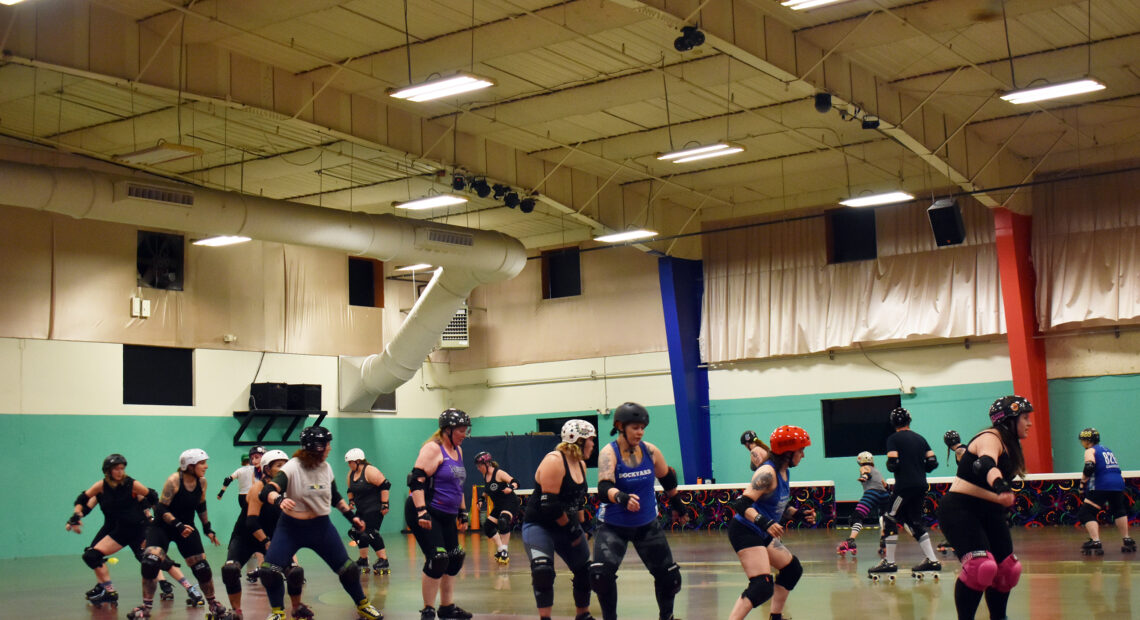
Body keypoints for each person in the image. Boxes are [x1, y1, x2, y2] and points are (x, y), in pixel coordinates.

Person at [259, 426, 383, 620]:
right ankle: (277, 613)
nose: (330, 449)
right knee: (269, 571)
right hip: (291, 527)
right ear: (316, 447)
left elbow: (335, 497)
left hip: (320, 527)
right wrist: (279, 500)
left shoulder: (325, 467)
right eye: (327, 445)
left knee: (348, 569)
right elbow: (267, 491)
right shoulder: (293, 466)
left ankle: (363, 605)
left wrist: (352, 518)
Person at [936, 396, 1033, 619]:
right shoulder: (990, 437)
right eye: (1025, 418)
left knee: (1008, 570)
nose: (1029, 423)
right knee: (981, 567)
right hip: (960, 509)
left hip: (989, 511)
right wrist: (1000, 486)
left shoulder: (1011, 445)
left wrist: (998, 497)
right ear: (1009, 419)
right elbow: (985, 464)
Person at [589, 402, 686, 620]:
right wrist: (622, 498)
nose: (640, 432)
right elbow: (604, 489)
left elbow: (667, 477)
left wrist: (678, 505)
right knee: (601, 576)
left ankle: (667, 617)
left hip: (646, 525)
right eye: (635, 427)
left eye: (643, 427)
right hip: (614, 527)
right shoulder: (608, 452)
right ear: (620, 427)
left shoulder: (650, 451)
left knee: (669, 576)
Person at [727, 425, 814, 620]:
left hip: (761, 531)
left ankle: (776, 617)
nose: (803, 455)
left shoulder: (784, 471)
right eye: (801, 450)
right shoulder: (767, 472)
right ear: (788, 451)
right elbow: (741, 504)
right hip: (745, 530)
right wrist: (765, 522)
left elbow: (779, 505)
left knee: (792, 570)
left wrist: (799, 515)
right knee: (762, 585)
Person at [129, 449, 226, 620]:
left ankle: (213, 604)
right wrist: (178, 525)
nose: (206, 466)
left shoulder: (202, 482)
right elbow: (161, 508)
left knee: (202, 568)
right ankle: (146, 607)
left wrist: (207, 528)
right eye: (202, 463)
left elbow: (201, 505)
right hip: (163, 527)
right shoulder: (174, 480)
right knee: (150, 562)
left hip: (187, 528)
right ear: (189, 466)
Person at [221, 450, 312, 620]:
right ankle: (236, 612)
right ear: (267, 470)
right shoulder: (258, 488)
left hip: (272, 537)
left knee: (295, 572)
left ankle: (296, 608)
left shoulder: (290, 489)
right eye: (279, 466)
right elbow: (251, 523)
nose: (284, 469)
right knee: (230, 570)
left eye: (286, 464)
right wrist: (267, 542)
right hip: (246, 537)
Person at [521, 420, 597, 620]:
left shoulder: (580, 464)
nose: (593, 445)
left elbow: (578, 500)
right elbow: (550, 506)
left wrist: (583, 524)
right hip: (540, 525)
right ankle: (545, 617)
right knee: (543, 571)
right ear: (579, 441)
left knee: (585, 571)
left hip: (566, 524)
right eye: (591, 440)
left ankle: (583, 615)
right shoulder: (554, 460)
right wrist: (572, 530)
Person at [406, 408, 475, 620]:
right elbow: (416, 480)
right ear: (447, 430)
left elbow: (458, 485)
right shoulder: (432, 449)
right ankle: (428, 609)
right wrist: (421, 512)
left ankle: (447, 607)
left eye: (466, 430)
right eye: (461, 430)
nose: (464, 434)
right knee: (438, 559)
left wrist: (463, 511)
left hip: (447, 513)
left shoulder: (458, 451)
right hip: (427, 510)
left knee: (455, 557)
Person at [67, 454, 155, 607]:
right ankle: (108, 590)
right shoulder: (101, 487)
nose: (120, 472)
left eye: (122, 468)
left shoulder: (131, 484)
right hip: (119, 529)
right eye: (116, 469)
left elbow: (152, 496)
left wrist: (158, 521)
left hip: (137, 528)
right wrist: (75, 516)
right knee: (91, 555)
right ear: (108, 471)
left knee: (148, 560)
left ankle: (172, 587)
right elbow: (82, 500)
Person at [867, 407, 941, 579]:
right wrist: (918, 466)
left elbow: (893, 462)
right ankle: (932, 560)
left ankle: (890, 562)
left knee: (889, 518)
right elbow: (932, 462)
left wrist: (894, 466)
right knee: (913, 521)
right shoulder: (920, 438)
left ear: (893, 423)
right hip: (921, 485)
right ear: (909, 421)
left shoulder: (893, 438)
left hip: (904, 486)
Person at [1077, 427, 1135, 554]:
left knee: (1086, 513)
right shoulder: (1107, 450)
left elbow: (1089, 466)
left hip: (1102, 484)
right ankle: (1127, 539)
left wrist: (1082, 484)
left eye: (1083, 441)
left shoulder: (1090, 450)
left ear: (1087, 441)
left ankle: (1095, 541)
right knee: (1119, 510)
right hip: (1118, 483)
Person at [218, 446, 267, 583]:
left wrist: (221, 493)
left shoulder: (249, 470)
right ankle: (261, 566)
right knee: (255, 528)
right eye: (252, 458)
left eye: (257, 457)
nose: (254, 460)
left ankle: (266, 566)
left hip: (251, 497)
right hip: (251, 498)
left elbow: (228, 479)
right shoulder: (253, 471)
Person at [345, 448, 392, 574]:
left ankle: (383, 560)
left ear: (358, 461)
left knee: (371, 533)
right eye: (348, 463)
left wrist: (385, 504)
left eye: (351, 462)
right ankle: (363, 559)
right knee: (356, 532)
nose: (349, 465)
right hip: (362, 509)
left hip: (375, 507)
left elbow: (385, 485)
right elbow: (350, 490)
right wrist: (351, 501)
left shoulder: (370, 471)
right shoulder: (351, 474)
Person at [837, 451, 889, 556]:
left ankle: (851, 541)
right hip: (884, 495)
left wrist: (864, 477)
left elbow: (866, 472)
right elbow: (885, 485)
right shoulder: (878, 471)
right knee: (884, 518)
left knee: (857, 517)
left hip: (872, 493)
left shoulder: (864, 467)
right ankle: (883, 542)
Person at [475, 450, 521, 565]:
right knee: (488, 527)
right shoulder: (485, 475)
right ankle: (501, 549)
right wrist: (481, 499)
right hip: (499, 506)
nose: (478, 468)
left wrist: (510, 487)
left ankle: (504, 551)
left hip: (510, 502)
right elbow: (487, 489)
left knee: (503, 521)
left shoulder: (499, 473)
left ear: (487, 464)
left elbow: (515, 481)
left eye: (479, 465)